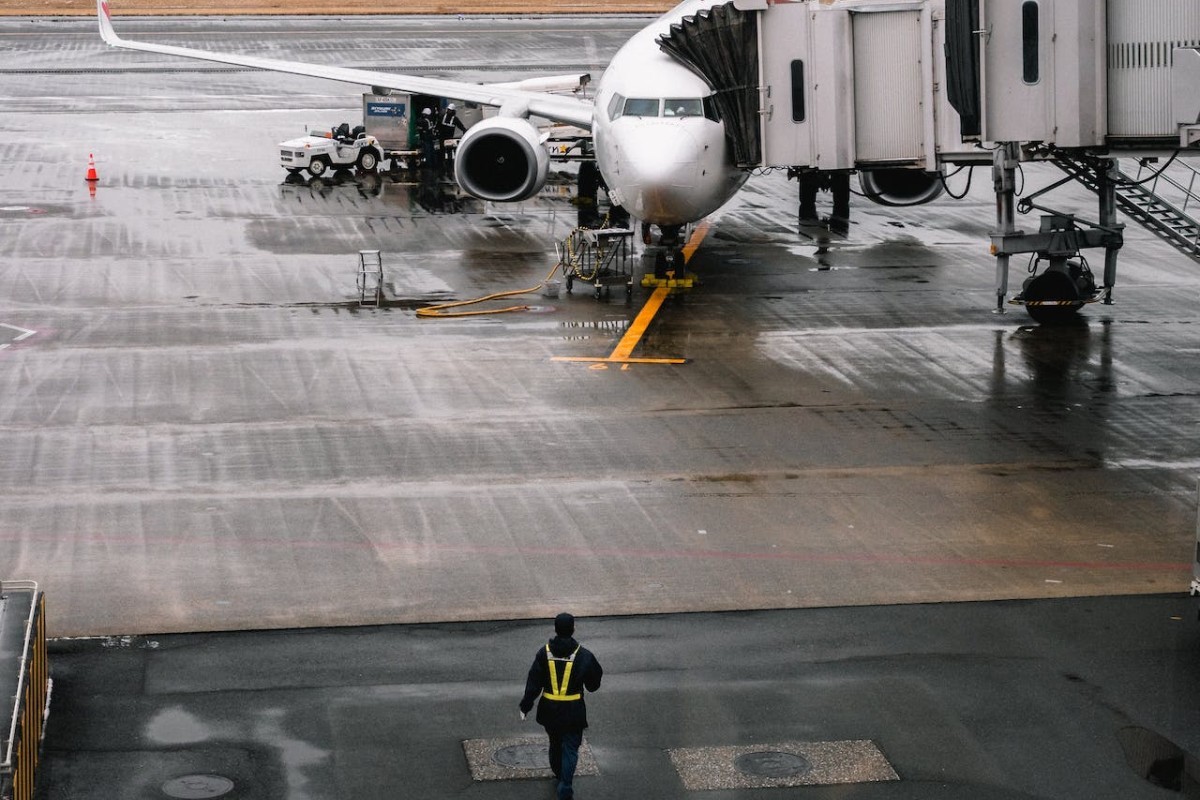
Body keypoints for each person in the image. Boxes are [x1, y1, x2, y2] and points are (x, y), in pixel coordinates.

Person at [520, 612, 603, 800]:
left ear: (555, 629)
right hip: (573, 711)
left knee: (555, 744)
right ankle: (565, 785)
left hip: (549, 711)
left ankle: (558, 774)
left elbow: (533, 682)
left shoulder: (544, 653)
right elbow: (593, 685)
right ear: (573, 629)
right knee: (570, 748)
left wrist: (525, 706)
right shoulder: (583, 655)